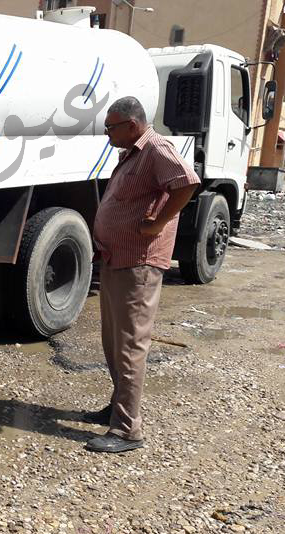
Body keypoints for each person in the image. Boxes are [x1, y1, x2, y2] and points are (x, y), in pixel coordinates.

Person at [84, 96, 200, 453]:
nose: (107, 135)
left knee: (131, 344)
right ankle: (118, 408)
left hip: (139, 261)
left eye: (111, 128)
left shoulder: (155, 147)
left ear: (132, 125)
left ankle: (126, 431)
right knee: (114, 341)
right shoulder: (133, 152)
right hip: (117, 257)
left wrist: (159, 222)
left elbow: (187, 182)